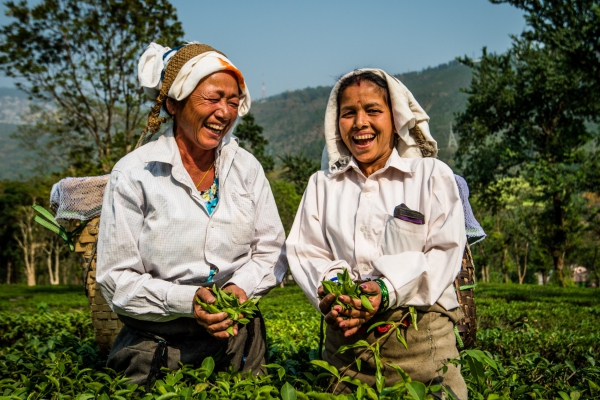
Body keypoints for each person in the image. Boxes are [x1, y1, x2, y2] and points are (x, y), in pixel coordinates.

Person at [97, 42, 286, 388]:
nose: (225, 112)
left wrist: (238, 290)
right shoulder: (135, 173)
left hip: (237, 340)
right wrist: (188, 301)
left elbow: (270, 248)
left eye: (232, 101)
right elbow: (116, 279)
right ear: (173, 104)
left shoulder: (245, 168)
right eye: (213, 99)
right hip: (156, 347)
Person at [286, 69, 468, 399]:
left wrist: (385, 290)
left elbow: (444, 253)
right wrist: (336, 292)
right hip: (346, 348)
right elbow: (305, 250)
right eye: (349, 113)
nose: (360, 123)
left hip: (420, 345)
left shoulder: (431, 176)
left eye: (373, 110)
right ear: (336, 122)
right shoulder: (323, 185)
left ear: (395, 117)